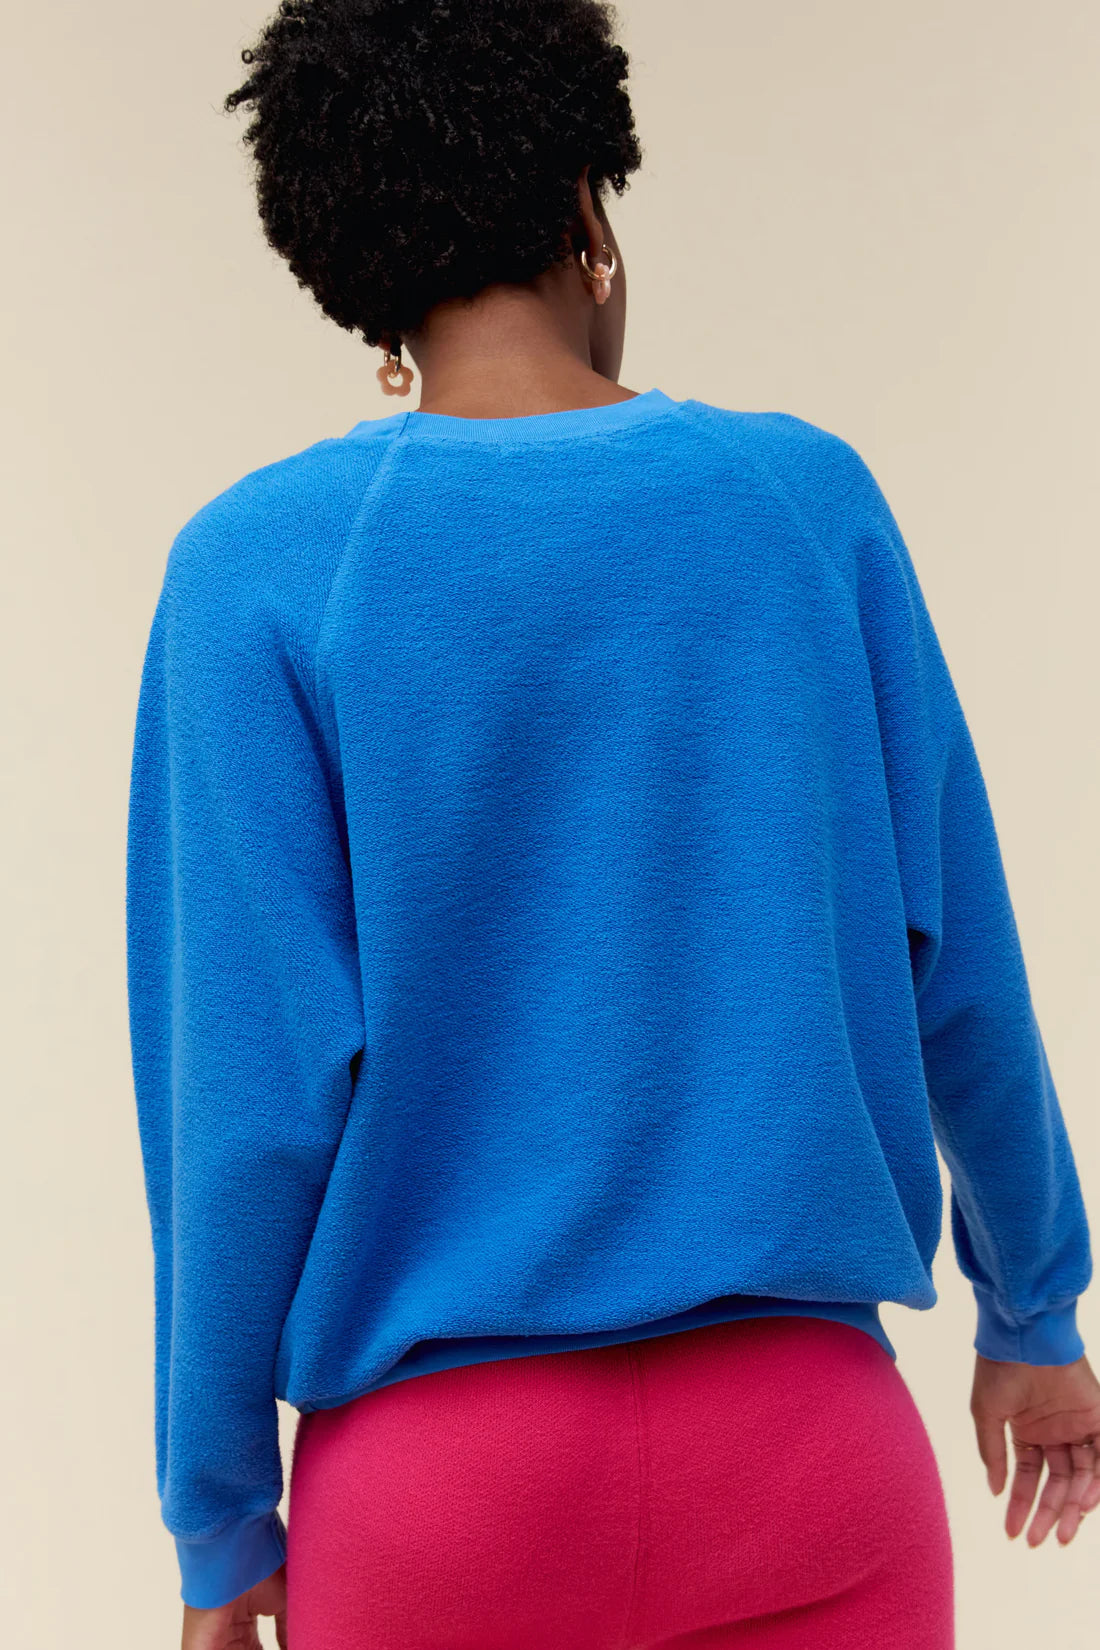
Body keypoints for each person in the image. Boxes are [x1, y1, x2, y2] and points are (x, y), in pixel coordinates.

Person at [124, 3, 1100, 1647]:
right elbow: (958, 963)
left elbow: (245, 1105)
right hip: (809, 1459)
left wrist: (219, 1522)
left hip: (444, 1503)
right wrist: (1036, 1312)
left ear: (355, 277)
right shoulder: (808, 503)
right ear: (590, 208)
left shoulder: (255, 569)